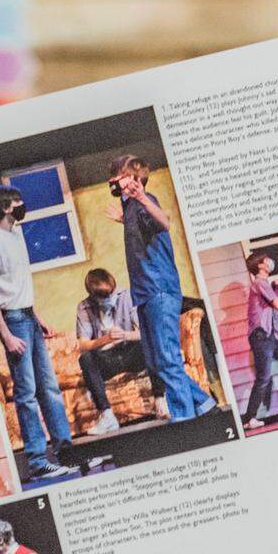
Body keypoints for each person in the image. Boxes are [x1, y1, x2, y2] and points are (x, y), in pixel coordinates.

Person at [106, 156, 214, 423]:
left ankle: (184, 421)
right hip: (144, 293)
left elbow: (165, 223)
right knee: (155, 362)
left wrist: (142, 198)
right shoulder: (131, 208)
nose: (111, 181)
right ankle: (203, 402)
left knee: (166, 359)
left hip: (159, 290)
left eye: (117, 175)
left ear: (132, 179)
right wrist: (124, 220)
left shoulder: (145, 201)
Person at [0, 185, 72, 482]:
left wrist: (38, 318)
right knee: (27, 393)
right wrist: (5, 334)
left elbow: (18, 284)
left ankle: (66, 451)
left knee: (49, 387)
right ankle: (36, 460)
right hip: (14, 322)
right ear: (7, 207)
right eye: (19, 201)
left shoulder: (15, 234)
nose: (23, 205)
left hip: (28, 316)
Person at [75, 268, 166, 434]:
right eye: (103, 297)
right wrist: (105, 339)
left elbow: (143, 332)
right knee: (85, 358)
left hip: (129, 351)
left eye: (110, 293)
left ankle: (160, 401)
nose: (108, 299)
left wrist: (124, 335)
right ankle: (108, 417)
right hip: (106, 358)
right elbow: (83, 344)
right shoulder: (84, 307)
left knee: (151, 343)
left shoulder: (126, 296)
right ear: (92, 295)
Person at [241, 253, 278, 429]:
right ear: (262, 265)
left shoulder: (263, 285)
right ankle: (249, 419)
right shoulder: (260, 283)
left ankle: (249, 418)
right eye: (267, 260)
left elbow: (277, 315)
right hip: (262, 337)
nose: (271, 262)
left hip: (271, 337)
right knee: (263, 378)